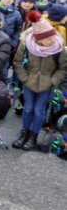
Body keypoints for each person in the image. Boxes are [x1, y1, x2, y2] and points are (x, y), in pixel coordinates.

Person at [13, 10, 67, 150]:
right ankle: (24, 133)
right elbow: (17, 63)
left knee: (39, 110)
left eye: (52, 37)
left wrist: (53, 81)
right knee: (28, 108)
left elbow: (63, 68)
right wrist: (24, 78)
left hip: (47, 85)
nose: (51, 41)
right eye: (47, 39)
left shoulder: (59, 49)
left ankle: (33, 135)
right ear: (38, 39)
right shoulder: (26, 46)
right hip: (29, 83)